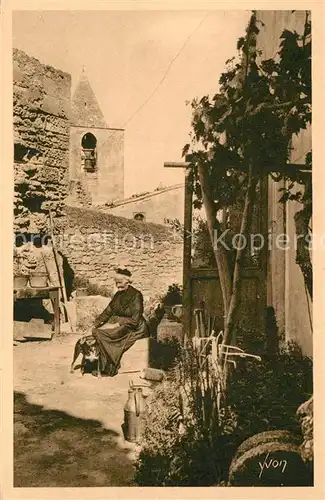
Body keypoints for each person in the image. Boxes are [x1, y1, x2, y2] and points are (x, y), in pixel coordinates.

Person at [92, 267, 164, 377]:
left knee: (104, 334)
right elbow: (108, 311)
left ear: (127, 282)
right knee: (96, 330)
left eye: (120, 282)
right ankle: (104, 366)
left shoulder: (136, 295)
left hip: (135, 328)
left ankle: (109, 368)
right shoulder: (117, 295)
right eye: (116, 283)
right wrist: (96, 323)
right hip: (123, 326)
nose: (118, 285)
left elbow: (135, 320)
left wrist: (117, 324)